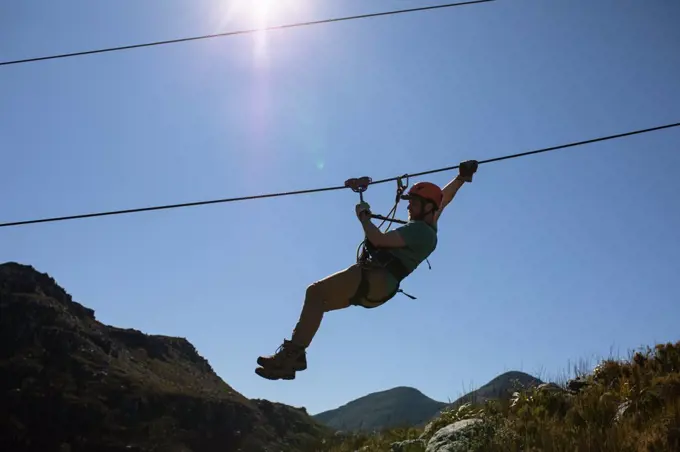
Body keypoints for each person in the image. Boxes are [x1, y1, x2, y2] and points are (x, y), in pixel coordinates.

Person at [255, 160, 479, 380]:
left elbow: (378, 239)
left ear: (427, 207)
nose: (408, 206)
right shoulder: (428, 228)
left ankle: (293, 356)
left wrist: (363, 217)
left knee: (315, 293)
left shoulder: (420, 231)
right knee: (317, 301)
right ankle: (294, 357)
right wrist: (460, 178)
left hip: (375, 277)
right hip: (379, 286)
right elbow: (443, 200)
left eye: (414, 202)